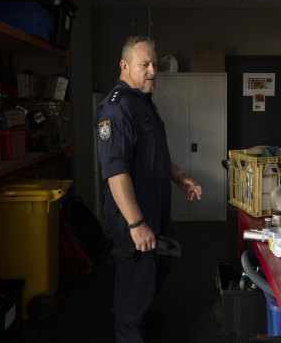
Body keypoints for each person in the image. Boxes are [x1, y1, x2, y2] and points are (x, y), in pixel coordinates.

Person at [95, 35, 202, 342]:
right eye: (145, 64)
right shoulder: (116, 110)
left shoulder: (143, 103)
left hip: (155, 208)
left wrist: (180, 178)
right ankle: (130, 328)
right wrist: (136, 223)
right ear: (124, 65)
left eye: (155, 64)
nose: (153, 70)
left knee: (155, 270)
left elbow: (156, 155)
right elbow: (115, 172)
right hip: (135, 215)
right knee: (136, 280)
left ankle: (139, 316)